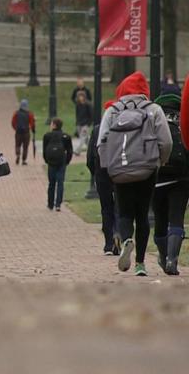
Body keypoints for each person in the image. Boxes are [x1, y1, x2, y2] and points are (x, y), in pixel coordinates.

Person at [97, 71, 172, 276]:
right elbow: (166, 141)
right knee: (143, 214)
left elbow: (101, 141)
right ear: (144, 91)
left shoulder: (113, 110)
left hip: (119, 169)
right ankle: (140, 263)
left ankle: (126, 239)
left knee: (124, 211)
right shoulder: (153, 109)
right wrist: (160, 161)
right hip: (147, 169)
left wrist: (109, 166)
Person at [152, 93, 189, 275]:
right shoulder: (183, 125)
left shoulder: (154, 124)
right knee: (176, 217)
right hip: (181, 179)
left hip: (157, 179)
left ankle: (163, 255)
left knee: (160, 219)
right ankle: (172, 260)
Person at [87, 120, 121, 256]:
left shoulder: (97, 129)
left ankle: (108, 243)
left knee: (106, 208)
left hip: (102, 172)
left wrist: (94, 173)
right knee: (120, 207)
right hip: (119, 171)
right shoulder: (122, 126)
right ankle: (118, 233)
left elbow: (90, 155)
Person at [43, 118, 73, 211]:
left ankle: (50, 204)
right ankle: (58, 204)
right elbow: (70, 151)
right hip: (61, 162)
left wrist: (47, 160)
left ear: (54, 125)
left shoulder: (47, 136)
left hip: (51, 162)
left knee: (51, 183)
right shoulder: (66, 136)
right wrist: (67, 161)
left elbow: (44, 150)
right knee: (60, 183)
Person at [11, 99, 35, 165]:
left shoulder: (16, 113)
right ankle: (24, 160)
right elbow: (32, 123)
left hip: (18, 132)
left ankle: (18, 154)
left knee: (17, 145)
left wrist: (15, 128)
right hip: (26, 132)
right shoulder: (30, 114)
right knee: (25, 147)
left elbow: (13, 122)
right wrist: (31, 129)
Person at [73, 91, 93, 156]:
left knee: (83, 137)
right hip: (79, 123)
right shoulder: (78, 105)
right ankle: (92, 149)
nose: (80, 98)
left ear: (84, 96)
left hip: (86, 124)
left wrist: (89, 123)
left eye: (81, 96)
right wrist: (77, 123)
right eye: (79, 96)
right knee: (86, 139)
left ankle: (77, 150)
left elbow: (91, 115)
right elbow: (77, 114)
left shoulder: (88, 104)